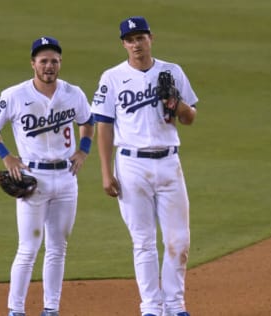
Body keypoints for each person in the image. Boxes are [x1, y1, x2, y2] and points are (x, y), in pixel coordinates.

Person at [0, 36, 94, 316]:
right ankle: (16, 310)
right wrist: (7, 156)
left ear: (60, 63)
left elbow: (88, 121)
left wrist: (83, 151)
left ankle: (51, 309)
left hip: (66, 178)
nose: (49, 66)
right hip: (34, 181)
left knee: (58, 248)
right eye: (43, 61)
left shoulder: (73, 93)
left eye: (54, 60)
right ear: (33, 64)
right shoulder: (15, 95)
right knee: (28, 248)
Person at [91, 16, 198, 316]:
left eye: (141, 37)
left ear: (151, 38)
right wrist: (105, 171)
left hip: (169, 162)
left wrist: (178, 105)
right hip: (130, 165)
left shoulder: (172, 71)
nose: (136, 44)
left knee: (179, 239)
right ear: (123, 43)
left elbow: (190, 118)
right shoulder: (111, 77)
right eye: (130, 39)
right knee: (144, 241)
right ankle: (151, 307)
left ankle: (176, 306)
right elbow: (104, 126)